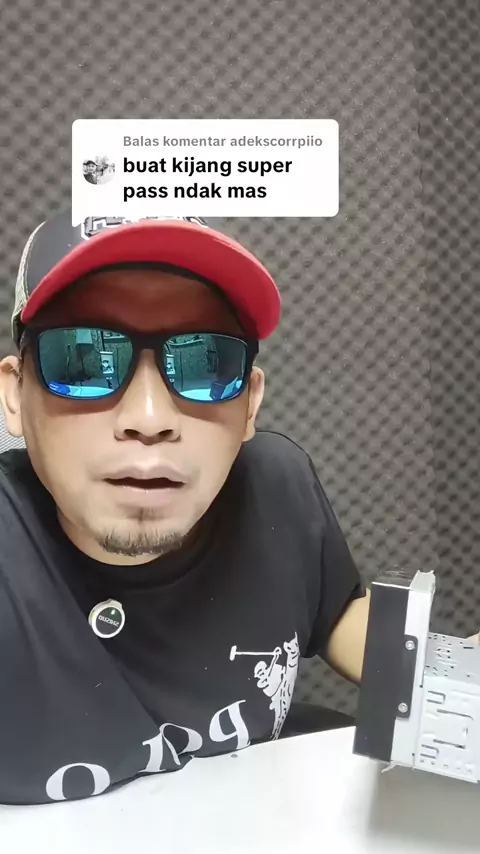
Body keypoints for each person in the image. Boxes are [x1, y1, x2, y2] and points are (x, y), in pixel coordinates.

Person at [0, 211, 372, 805]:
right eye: (83, 358)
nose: (149, 419)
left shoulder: (275, 485)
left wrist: (446, 677)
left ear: (249, 405)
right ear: (14, 396)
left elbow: (339, 615)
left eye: (205, 364)